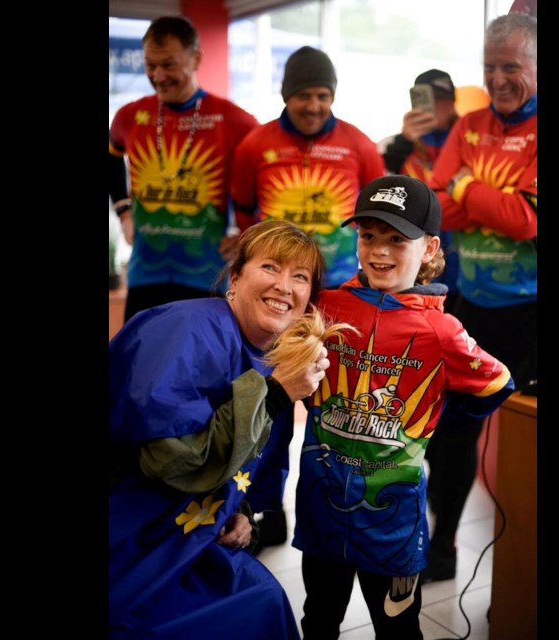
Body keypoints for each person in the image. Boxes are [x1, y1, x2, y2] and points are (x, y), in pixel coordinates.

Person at [292, 175, 515, 639]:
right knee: (318, 620)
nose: (379, 250)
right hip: (322, 507)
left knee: (397, 630)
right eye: (368, 235)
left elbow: (498, 382)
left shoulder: (443, 330)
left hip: (390, 526)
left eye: (397, 238)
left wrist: (430, 426)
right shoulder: (325, 306)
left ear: (430, 247)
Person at [108, 220, 331, 640]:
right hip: (133, 537)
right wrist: (277, 393)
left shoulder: (271, 358)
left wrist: (238, 512)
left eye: (299, 277)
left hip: (189, 536)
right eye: (270, 267)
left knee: (266, 597)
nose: (284, 286)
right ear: (235, 277)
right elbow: (172, 459)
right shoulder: (186, 329)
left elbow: (243, 464)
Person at [231, 45, 385, 550]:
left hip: (336, 303)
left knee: (333, 413)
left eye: (322, 95)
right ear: (286, 96)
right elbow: (240, 210)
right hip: (280, 301)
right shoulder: (256, 144)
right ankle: (264, 509)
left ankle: (335, 509)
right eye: (303, 96)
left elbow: (381, 224)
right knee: (272, 406)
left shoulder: (359, 146)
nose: (313, 105)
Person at [423, 12, 537, 583]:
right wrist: (488, 198)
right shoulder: (468, 126)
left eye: (510, 66)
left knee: (525, 443)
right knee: (449, 434)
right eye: (490, 67)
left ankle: (518, 581)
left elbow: (526, 221)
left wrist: (467, 184)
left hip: (531, 314)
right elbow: (436, 209)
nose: (497, 78)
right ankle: (442, 546)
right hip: (472, 305)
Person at [109, 15, 259, 322]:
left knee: (203, 367)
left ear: (196, 58)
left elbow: (266, 178)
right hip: (145, 274)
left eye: (169, 64)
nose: (158, 75)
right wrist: (123, 209)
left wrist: (248, 234)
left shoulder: (234, 120)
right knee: (140, 364)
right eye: (150, 65)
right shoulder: (130, 115)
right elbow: (111, 156)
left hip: (206, 278)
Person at [382, 68, 461, 313]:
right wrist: (404, 141)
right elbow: (378, 189)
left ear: (453, 103)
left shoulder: (470, 141)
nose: (435, 106)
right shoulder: (396, 144)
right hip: (414, 258)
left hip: (462, 255)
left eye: (442, 99)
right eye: (428, 99)